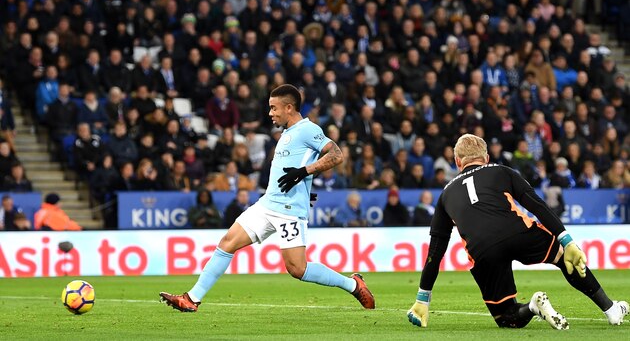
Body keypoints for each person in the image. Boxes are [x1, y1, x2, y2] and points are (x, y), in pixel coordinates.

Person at [160, 84, 374, 312]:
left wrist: (304, 174)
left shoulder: (307, 129)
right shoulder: (287, 132)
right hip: (267, 204)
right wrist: (303, 182)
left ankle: (353, 285)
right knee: (227, 243)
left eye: (274, 108)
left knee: (297, 269)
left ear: (289, 107)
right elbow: (294, 167)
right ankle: (192, 298)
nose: (270, 113)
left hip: (290, 210)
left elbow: (336, 155)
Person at [407, 134, 628, 330]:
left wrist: (422, 298)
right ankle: (610, 310)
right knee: (565, 259)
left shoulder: (445, 195)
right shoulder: (502, 171)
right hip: (518, 232)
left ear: (457, 162)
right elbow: (537, 205)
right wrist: (567, 240)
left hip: (483, 250)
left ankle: (532, 306)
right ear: (486, 159)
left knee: (506, 317)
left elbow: (436, 252)